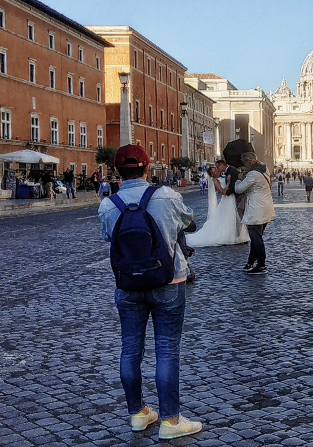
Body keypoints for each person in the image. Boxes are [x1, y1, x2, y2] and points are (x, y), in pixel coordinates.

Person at [97, 144, 202, 440]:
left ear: (117, 170)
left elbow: (108, 236)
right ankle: (170, 420)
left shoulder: (108, 204)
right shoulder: (166, 195)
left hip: (128, 285)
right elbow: (190, 221)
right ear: (147, 168)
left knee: (130, 349)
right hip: (169, 282)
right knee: (167, 349)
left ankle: (138, 415)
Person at [185, 161, 250, 247]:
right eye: (214, 171)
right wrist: (228, 183)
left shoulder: (224, 175)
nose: (216, 171)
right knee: (229, 218)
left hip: (231, 199)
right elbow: (223, 192)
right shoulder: (215, 181)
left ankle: (237, 235)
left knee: (234, 218)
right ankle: (229, 236)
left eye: (215, 169)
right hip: (227, 200)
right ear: (212, 175)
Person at [234, 152, 275, 274]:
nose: (244, 165)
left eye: (244, 163)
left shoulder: (253, 174)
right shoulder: (264, 168)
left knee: (256, 238)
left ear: (248, 162)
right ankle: (251, 262)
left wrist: (239, 179)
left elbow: (239, 188)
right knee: (256, 237)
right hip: (266, 207)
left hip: (256, 209)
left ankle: (261, 265)